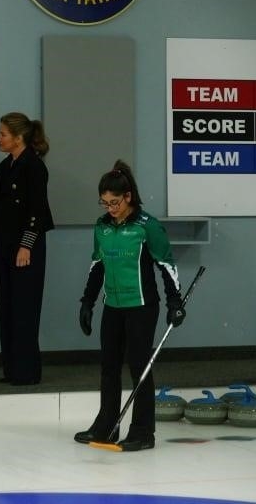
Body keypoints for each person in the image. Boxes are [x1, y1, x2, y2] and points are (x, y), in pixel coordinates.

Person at [75, 159, 185, 452]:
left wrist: (175, 301)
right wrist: (87, 301)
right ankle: (106, 426)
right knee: (108, 366)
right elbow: (97, 266)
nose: (110, 208)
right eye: (105, 203)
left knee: (139, 366)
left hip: (141, 306)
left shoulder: (147, 227)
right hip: (113, 306)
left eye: (115, 202)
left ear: (128, 197)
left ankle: (142, 432)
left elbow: (167, 265)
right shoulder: (102, 227)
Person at [0, 112, 54, 386]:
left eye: (3, 134)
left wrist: (26, 245)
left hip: (26, 246)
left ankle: (27, 370)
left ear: (19, 138)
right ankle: (11, 368)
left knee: (25, 308)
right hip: (5, 244)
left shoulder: (33, 167)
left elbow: (36, 211)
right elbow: (0, 211)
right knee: (6, 307)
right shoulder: (6, 167)